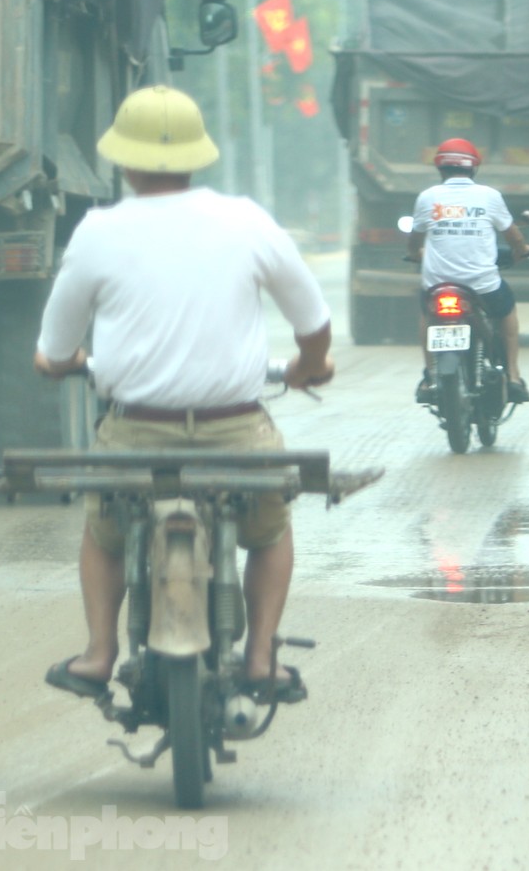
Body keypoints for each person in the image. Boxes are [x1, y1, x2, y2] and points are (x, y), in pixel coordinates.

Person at [32, 84, 334, 704]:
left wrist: (61, 362)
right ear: (197, 156)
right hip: (238, 432)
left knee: (103, 531)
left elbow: (55, 352)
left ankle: (97, 653)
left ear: (123, 159)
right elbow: (313, 323)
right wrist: (307, 366)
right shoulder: (248, 221)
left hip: (134, 435)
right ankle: (259, 658)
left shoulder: (97, 231)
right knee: (270, 533)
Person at [408, 137, 529, 404]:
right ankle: (512, 376)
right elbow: (514, 238)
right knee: (506, 310)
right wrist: (522, 251)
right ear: (473, 168)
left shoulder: (427, 197)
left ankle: (430, 376)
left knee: (426, 314)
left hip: (437, 287)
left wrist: (415, 254)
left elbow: (415, 241)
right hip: (482, 286)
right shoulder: (489, 196)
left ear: (440, 168)